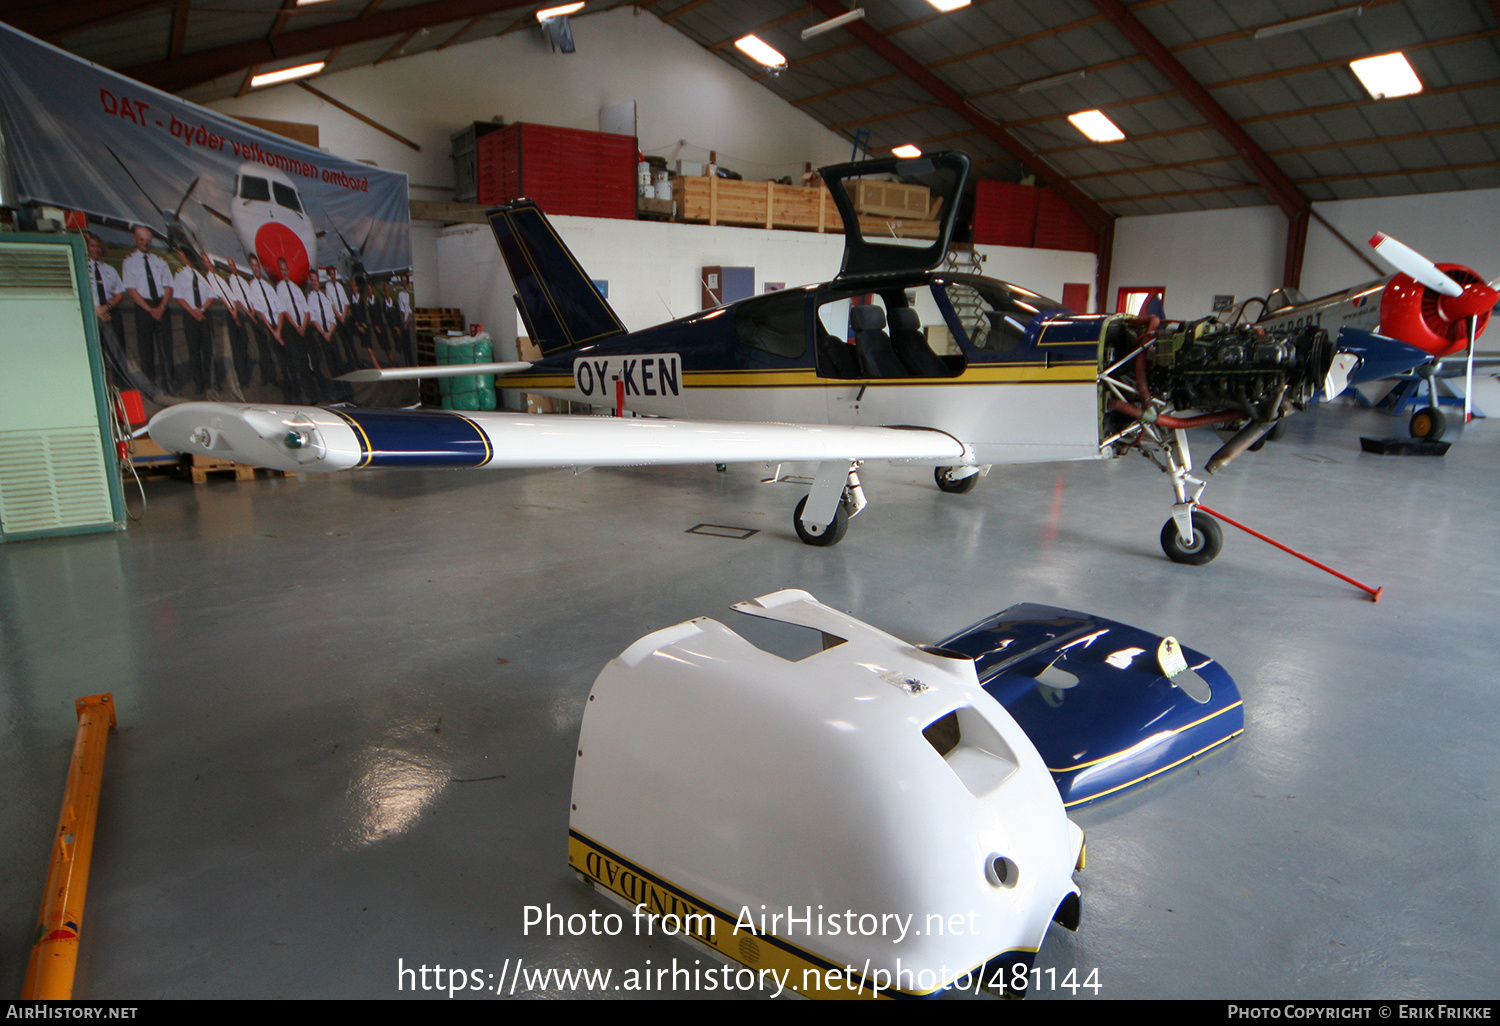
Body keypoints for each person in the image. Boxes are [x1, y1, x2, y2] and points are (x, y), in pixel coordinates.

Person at [120, 224, 173, 393]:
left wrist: (162, 307)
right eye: (141, 239)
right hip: (143, 307)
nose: (145, 242)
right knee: (146, 349)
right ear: (135, 240)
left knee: (166, 349)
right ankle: (150, 387)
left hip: (161, 305)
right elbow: (131, 290)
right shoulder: (128, 262)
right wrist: (150, 310)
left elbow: (168, 287)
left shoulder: (160, 261)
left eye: (148, 240)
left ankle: (169, 385)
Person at [84, 231, 130, 385]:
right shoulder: (82, 268)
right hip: (92, 316)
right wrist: (97, 310)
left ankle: (121, 385)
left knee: (117, 352)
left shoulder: (109, 269)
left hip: (111, 314)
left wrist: (107, 307)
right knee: (97, 355)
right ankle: (101, 386)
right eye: (92, 246)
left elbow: (119, 295)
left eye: (98, 246)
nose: (96, 249)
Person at [173, 249, 219, 394]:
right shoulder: (180, 274)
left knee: (208, 350)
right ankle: (199, 384)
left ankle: (212, 381)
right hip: (190, 316)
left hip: (205, 315)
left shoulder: (205, 275)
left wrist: (202, 310)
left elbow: (212, 295)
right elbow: (179, 297)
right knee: (194, 350)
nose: (187, 260)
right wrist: (194, 312)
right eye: (185, 258)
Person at [275, 257, 313, 403]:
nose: (285, 272)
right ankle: (299, 396)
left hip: (303, 328)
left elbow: (306, 310)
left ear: (289, 269)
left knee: (305, 361)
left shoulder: (296, 288)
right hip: (292, 329)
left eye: (286, 269)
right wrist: (296, 326)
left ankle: (310, 393)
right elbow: (284, 310)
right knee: (296, 362)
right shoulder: (280, 288)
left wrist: (303, 326)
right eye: (282, 270)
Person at [244, 254, 283, 388]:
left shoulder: (267, 285)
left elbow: (278, 305)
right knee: (265, 350)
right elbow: (258, 309)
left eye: (257, 265)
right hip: (263, 322)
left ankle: (282, 377)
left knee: (279, 351)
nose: (255, 268)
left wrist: (277, 326)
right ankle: (269, 377)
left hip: (275, 321)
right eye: (253, 265)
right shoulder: (252, 286)